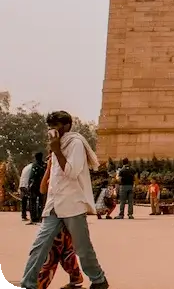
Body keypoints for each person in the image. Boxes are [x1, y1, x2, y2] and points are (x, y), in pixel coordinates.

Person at [19, 110, 109, 289]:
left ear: (66, 126)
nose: (52, 129)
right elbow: (54, 179)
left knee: (82, 248)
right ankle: (27, 284)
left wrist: (57, 150)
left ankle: (98, 279)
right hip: (54, 205)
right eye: (50, 126)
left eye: (56, 126)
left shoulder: (75, 143)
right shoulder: (56, 145)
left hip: (72, 204)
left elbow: (72, 172)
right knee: (39, 246)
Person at [36, 154, 84, 289]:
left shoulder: (66, 174)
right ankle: (76, 277)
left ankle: (40, 284)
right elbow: (42, 189)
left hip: (63, 217)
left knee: (52, 252)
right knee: (65, 251)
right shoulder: (53, 174)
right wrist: (49, 169)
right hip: (55, 217)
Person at [28, 152, 46, 224]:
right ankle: (40, 217)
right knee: (41, 202)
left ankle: (34, 218)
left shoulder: (35, 165)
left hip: (34, 186)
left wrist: (29, 184)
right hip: (42, 185)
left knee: (33, 202)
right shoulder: (45, 165)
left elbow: (32, 176)